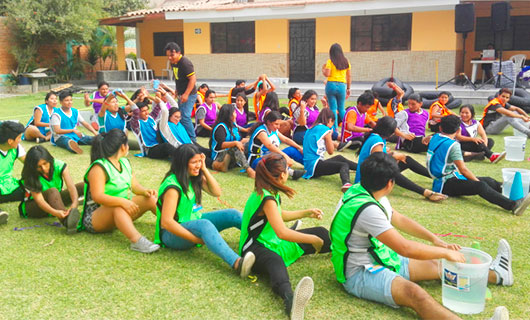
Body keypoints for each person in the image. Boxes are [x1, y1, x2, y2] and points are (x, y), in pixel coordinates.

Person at [330, 152, 516, 319]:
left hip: (385, 259)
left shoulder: (364, 190)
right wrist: (444, 252)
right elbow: (404, 248)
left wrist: (434, 240)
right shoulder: (367, 209)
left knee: (442, 266)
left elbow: (399, 219)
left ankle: (498, 275)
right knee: (415, 294)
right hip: (360, 272)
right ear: (390, 183)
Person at [239, 152, 331, 320]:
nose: (289, 172)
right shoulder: (266, 198)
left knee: (323, 233)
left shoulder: (270, 191)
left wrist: (306, 213)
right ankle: (290, 300)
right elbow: (282, 232)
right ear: (281, 175)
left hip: (273, 241)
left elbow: (279, 215)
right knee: (276, 261)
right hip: (254, 247)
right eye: (288, 169)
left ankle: (342, 252)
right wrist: (313, 240)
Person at [155, 143, 255, 276]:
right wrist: (195, 239)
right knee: (205, 225)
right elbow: (166, 222)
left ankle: (263, 239)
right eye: (193, 162)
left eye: (199, 161)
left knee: (232, 214)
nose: (197, 165)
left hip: (193, 221)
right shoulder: (173, 187)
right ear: (182, 163)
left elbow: (217, 192)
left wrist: (205, 170)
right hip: (171, 235)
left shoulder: (193, 177)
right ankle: (237, 263)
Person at [427, 115, 530, 215]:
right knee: (480, 185)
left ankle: (517, 192)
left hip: (450, 177)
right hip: (445, 184)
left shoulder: (435, 137)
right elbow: (463, 170)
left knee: (488, 180)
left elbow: (428, 138)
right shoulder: (453, 145)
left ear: (440, 128)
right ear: (458, 130)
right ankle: (513, 205)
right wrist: (476, 182)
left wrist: (425, 139)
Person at [77, 129, 159, 253]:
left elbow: (134, 185)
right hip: (95, 217)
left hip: (122, 210)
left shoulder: (124, 162)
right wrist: (122, 202)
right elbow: (97, 196)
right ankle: (137, 241)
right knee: (117, 208)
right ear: (123, 146)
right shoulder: (99, 167)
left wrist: (144, 191)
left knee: (150, 199)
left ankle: (173, 226)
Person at [355, 116, 446, 202]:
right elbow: (379, 163)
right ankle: (425, 192)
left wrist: (393, 155)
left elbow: (377, 157)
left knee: (406, 159)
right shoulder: (377, 140)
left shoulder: (376, 136)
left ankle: (435, 176)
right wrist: (393, 155)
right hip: (367, 179)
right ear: (390, 132)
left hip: (372, 172)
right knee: (391, 172)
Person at [20, 145, 83, 234]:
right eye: (39, 166)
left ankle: (91, 215)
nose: (44, 169)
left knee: (83, 186)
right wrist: (56, 213)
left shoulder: (59, 165)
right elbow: (40, 201)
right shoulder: (29, 174)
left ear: (49, 160)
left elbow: (71, 187)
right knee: (53, 191)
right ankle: (68, 222)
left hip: (55, 200)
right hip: (33, 206)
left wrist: (74, 203)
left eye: (45, 164)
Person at [302, 108, 357, 192]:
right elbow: (330, 151)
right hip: (314, 166)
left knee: (339, 157)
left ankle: (361, 168)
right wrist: (330, 136)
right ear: (330, 120)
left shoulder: (310, 129)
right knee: (343, 165)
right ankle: (346, 183)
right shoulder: (325, 130)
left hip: (309, 165)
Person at [247, 111, 304, 179]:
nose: (278, 127)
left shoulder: (273, 130)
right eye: (276, 124)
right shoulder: (261, 131)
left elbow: (285, 139)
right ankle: (291, 172)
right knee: (274, 158)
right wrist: (284, 156)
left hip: (271, 156)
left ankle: (310, 165)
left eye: (279, 124)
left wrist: (299, 148)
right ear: (268, 122)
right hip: (257, 160)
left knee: (292, 150)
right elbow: (269, 146)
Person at [129, 87, 178, 160]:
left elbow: (158, 105)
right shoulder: (136, 124)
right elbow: (135, 111)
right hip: (150, 150)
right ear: (138, 113)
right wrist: (128, 98)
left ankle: (182, 155)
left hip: (159, 145)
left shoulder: (151, 118)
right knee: (166, 146)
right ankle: (181, 158)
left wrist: (152, 96)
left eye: (147, 110)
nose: (146, 113)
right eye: (143, 111)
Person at [210, 104, 255, 178]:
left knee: (250, 144)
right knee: (235, 147)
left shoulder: (233, 125)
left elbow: (240, 140)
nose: (236, 114)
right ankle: (249, 170)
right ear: (228, 115)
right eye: (234, 113)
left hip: (234, 153)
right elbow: (221, 145)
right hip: (220, 155)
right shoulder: (220, 127)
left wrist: (249, 140)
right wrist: (235, 143)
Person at [165, 42, 198, 142]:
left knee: (184, 116)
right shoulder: (174, 63)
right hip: (181, 93)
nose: (170, 58)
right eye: (168, 56)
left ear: (179, 52)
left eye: (172, 55)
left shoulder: (185, 63)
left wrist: (186, 94)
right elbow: (178, 77)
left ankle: (192, 140)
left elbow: (193, 79)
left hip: (189, 94)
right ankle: (183, 137)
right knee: (179, 115)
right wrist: (177, 90)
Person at [0, 121, 26, 224]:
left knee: (32, 186)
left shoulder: (16, 148)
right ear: (10, 141)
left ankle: (64, 196)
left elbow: (29, 163)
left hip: (10, 186)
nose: (20, 140)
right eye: (19, 138)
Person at [322, 43, 351, 130]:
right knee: (341, 108)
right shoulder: (346, 62)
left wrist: (323, 69)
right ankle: (348, 126)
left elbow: (327, 74)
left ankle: (334, 128)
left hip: (331, 85)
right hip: (342, 85)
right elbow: (349, 76)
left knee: (333, 108)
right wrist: (348, 88)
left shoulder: (330, 61)